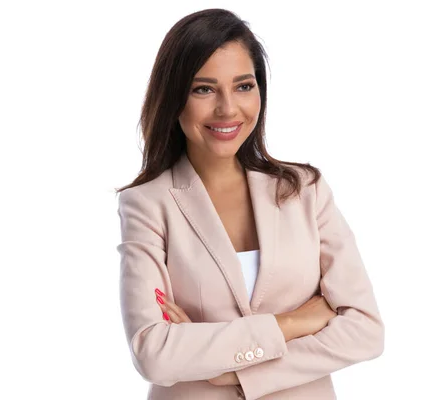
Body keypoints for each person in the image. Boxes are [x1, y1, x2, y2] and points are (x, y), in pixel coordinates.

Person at [114, 8, 384, 400]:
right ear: (174, 98)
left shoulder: (305, 190)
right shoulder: (146, 204)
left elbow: (365, 330)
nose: (227, 109)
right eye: (203, 89)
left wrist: (240, 374)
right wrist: (293, 322)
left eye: (243, 86)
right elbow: (153, 353)